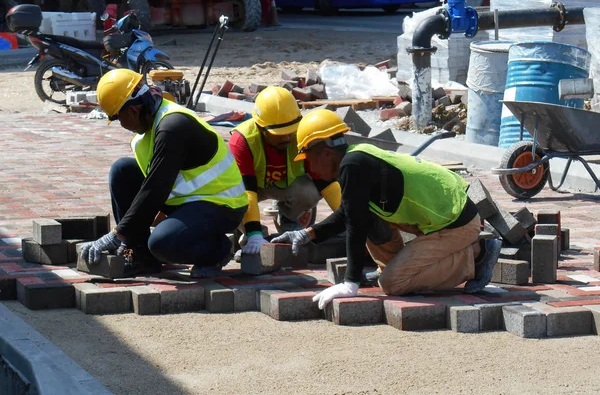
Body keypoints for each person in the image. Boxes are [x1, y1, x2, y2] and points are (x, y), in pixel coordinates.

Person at [272, 109, 502, 309]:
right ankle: (394, 267)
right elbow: (350, 213)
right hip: (435, 218)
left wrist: (351, 282)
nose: (309, 168)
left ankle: (477, 255)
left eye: (308, 159)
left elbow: (354, 226)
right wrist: (307, 234)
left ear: (324, 153)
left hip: (457, 222)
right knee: (370, 218)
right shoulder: (355, 159)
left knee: (393, 284)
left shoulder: (353, 166)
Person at [80, 69, 248, 277]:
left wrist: (118, 234)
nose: (120, 124)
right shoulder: (151, 123)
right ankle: (139, 257)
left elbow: (155, 189)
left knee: (162, 242)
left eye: (116, 117)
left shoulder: (173, 127)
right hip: (187, 200)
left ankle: (218, 249)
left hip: (221, 205)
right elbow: (152, 185)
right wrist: (129, 235)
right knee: (122, 170)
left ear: (133, 111)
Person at [228, 86, 341, 258]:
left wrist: (349, 219)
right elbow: (246, 192)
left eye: (290, 131)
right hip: (253, 188)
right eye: (279, 134)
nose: (287, 137)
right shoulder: (243, 139)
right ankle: (254, 235)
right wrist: (254, 234)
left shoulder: (302, 134)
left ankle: (288, 219)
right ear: (261, 127)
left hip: (287, 185)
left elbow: (327, 185)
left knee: (310, 192)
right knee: (230, 201)